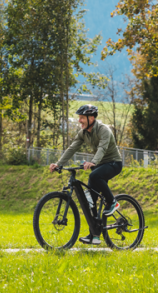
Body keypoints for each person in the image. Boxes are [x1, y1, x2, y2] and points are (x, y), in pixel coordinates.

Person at [49, 104, 123, 245]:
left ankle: (112, 201)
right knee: (91, 201)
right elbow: (72, 148)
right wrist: (59, 164)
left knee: (94, 176)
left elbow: (102, 148)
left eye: (82, 118)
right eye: (79, 118)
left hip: (114, 163)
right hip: (100, 164)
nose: (79, 121)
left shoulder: (103, 130)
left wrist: (93, 161)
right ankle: (94, 234)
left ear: (91, 118)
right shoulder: (83, 133)